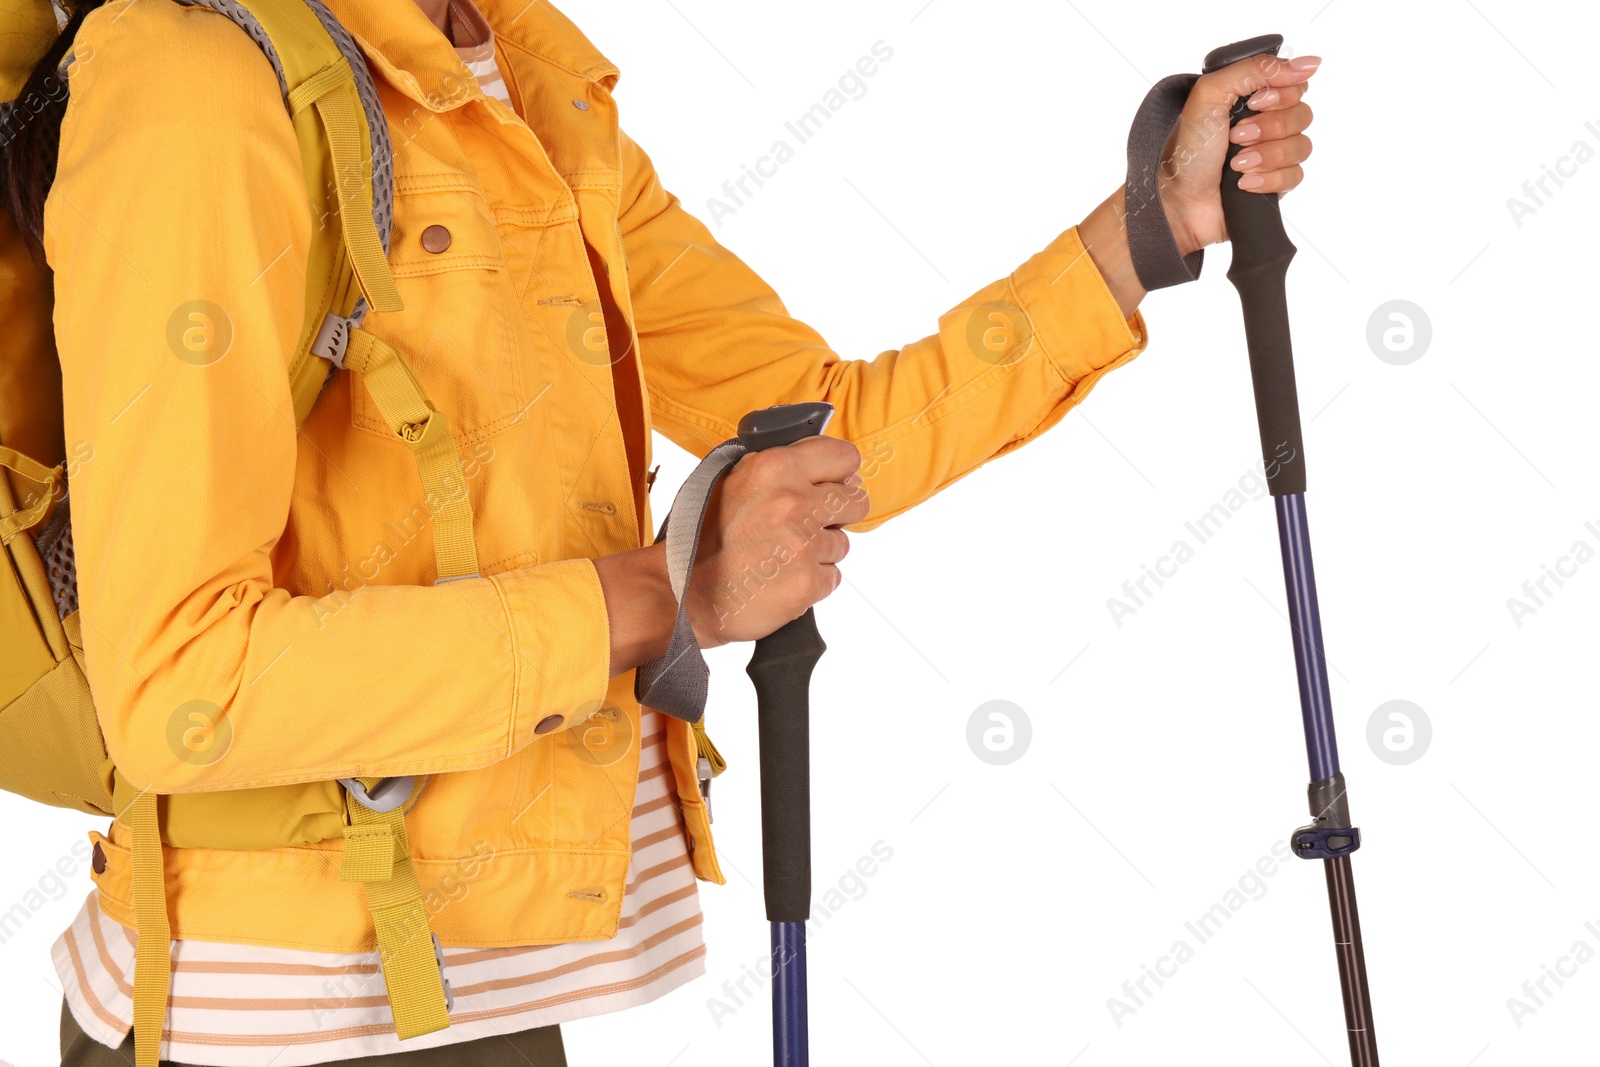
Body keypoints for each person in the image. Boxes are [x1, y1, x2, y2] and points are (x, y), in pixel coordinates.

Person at [2, 0, 1317, 1062]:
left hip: (479, 987)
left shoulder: (511, 79)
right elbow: (181, 686)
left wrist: (1148, 228)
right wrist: (664, 598)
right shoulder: (193, 80)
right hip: (262, 1016)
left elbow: (821, 427)